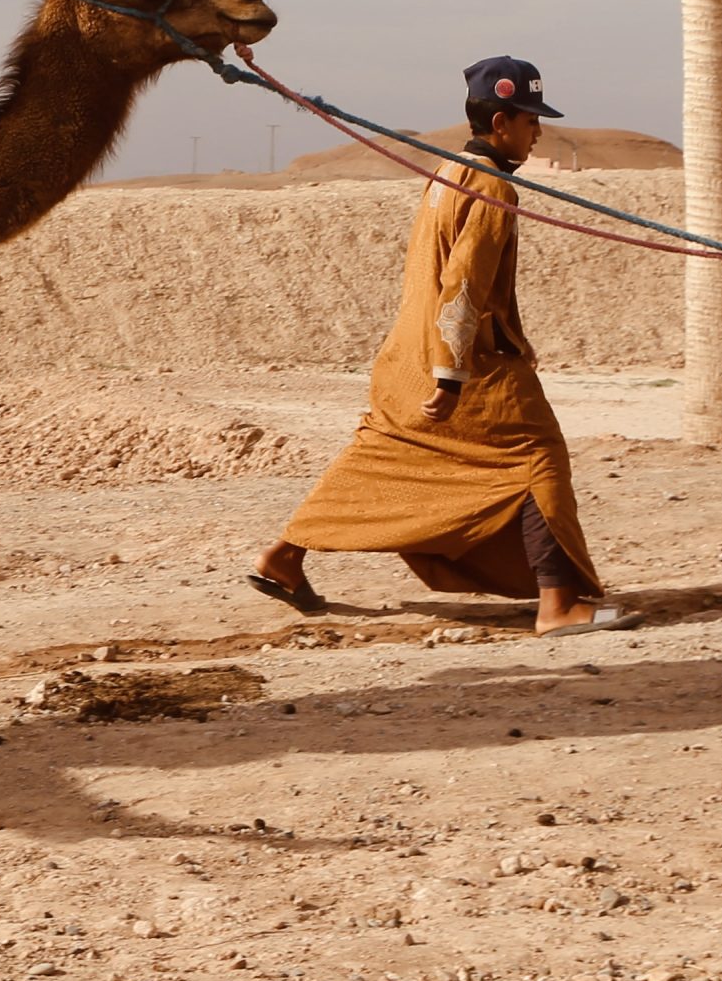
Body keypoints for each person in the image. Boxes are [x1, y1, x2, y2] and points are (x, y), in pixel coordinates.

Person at [246, 56, 639, 632]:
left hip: (405, 356)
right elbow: (463, 284)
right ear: (502, 122)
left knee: (384, 457)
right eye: (531, 121)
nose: (538, 132)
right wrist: (450, 375)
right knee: (537, 457)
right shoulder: (490, 182)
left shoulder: (446, 171)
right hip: (464, 363)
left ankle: (283, 557)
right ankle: (558, 605)